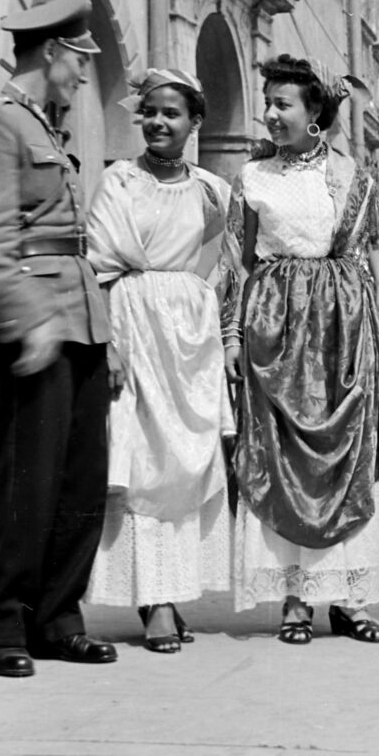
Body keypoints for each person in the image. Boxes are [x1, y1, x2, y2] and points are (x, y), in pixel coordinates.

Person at [0, 0, 117, 678]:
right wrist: (29, 319)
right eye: (81, 60)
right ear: (53, 52)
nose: (84, 75)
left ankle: (58, 617)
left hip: (78, 317)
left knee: (82, 477)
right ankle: (6, 624)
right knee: (27, 476)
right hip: (35, 325)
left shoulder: (49, 129)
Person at [221, 54, 379, 645]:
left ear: (315, 112)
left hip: (344, 324)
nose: (271, 114)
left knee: (350, 452)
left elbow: (372, 244)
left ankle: (350, 599)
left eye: (283, 103)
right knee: (282, 458)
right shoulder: (252, 178)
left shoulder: (353, 176)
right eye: (267, 101)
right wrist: (235, 332)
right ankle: (295, 598)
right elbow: (236, 262)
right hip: (277, 323)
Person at [84, 69, 234, 652]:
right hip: (132, 319)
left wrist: (210, 319)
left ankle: (175, 587)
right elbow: (98, 268)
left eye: (172, 113)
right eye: (149, 112)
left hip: (188, 336)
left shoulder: (211, 190)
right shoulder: (119, 181)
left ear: (195, 123)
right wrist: (110, 342)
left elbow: (221, 256)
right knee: (141, 460)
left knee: (185, 464)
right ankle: (153, 600)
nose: (158, 123)